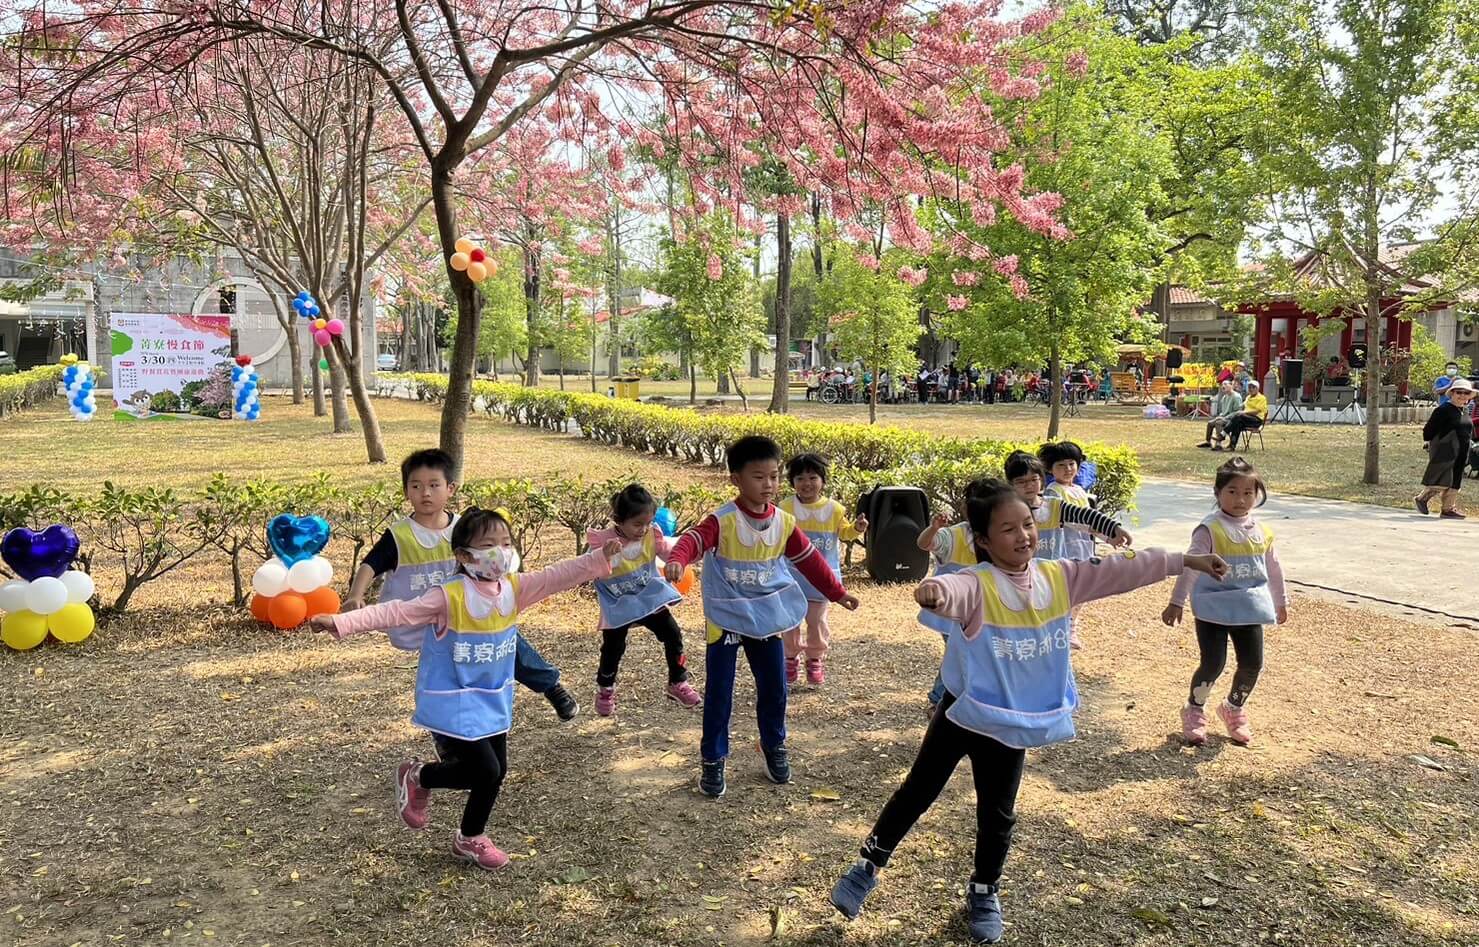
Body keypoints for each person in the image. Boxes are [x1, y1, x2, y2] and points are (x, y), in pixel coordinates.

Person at [829, 481, 1228, 942]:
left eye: (1027, 525)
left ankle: (983, 891)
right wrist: (933, 591)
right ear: (982, 540)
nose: (1023, 535)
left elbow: (1126, 567)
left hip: (1013, 721)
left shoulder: (1060, 576)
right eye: (1007, 529)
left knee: (998, 813)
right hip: (962, 713)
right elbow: (951, 586)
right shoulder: (977, 584)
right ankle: (867, 866)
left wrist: (1188, 560)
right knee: (919, 790)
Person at [313, 509, 621, 869]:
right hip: (453, 700)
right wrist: (340, 622)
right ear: (463, 555)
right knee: (486, 771)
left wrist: (599, 558)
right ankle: (421, 779)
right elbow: (395, 612)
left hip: (492, 697)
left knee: (496, 771)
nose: (501, 552)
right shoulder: (449, 596)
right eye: (488, 545)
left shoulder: (514, 588)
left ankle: (466, 835)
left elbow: (558, 575)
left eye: (505, 544)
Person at [664, 435, 860, 797]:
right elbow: (693, 540)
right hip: (724, 619)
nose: (768, 485)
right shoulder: (722, 520)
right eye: (758, 477)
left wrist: (838, 592)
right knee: (719, 692)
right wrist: (677, 559)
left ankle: (774, 745)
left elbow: (810, 561)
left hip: (766, 618)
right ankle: (712, 758)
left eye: (773, 476)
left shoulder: (784, 522)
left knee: (774, 687)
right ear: (736, 478)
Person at [344, 449, 580, 723]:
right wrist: (355, 595)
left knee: (507, 643)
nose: (426, 493)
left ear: (451, 488)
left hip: (467, 613)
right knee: (447, 678)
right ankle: (447, 734)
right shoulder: (399, 535)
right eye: (416, 486)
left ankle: (550, 686)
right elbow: (370, 564)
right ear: (406, 490)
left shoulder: (465, 528)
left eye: (434, 485)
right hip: (424, 621)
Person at [1163, 457, 1288, 746]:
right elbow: (1192, 565)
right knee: (1213, 663)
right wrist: (1177, 601)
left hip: (1249, 608)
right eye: (1232, 491)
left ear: (1257, 495)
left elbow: (1274, 567)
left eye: (1248, 493)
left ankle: (1233, 707)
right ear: (1218, 493)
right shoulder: (1209, 529)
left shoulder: (1262, 531)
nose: (1240, 499)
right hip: (1213, 608)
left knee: (1252, 664)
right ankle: (1194, 708)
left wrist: (1281, 601)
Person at [586, 484, 702, 716]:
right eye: (637, 524)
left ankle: (677, 682)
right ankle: (606, 688)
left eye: (647, 523)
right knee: (613, 647)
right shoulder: (603, 542)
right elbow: (587, 568)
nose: (643, 529)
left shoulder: (652, 534)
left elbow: (668, 550)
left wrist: (680, 559)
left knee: (673, 634)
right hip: (618, 601)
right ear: (618, 520)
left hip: (648, 596)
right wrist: (602, 557)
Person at [780, 454, 868, 685]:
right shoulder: (785, 508)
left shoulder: (834, 509)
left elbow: (845, 533)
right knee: (790, 621)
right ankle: (789, 658)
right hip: (791, 578)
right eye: (800, 478)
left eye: (813, 477)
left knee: (817, 621)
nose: (806, 483)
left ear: (823, 481)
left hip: (822, 580)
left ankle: (815, 658)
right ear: (792, 482)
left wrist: (857, 528)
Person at [914, 479, 999, 712]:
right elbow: (924, 544)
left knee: (967, 653)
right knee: (960, 652)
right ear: (966, 508)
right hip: (950, 612)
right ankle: (940, 699)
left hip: (981, 611)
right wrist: (933, 529)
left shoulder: (999, 534)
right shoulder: (954, 535)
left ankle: (953, 697)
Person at [1416, 377, 1476, 518]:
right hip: (1446, 448)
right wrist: (1435, 444)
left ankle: (1448, 508)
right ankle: (1422, 498)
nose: (1462, 395)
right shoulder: (1443, 410)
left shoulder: (1464, 410)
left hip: (1462, 449)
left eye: (1466, 393)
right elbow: (1428, 431)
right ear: (1452, 393)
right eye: (1458, 392)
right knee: (1443, 477)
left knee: (1456, 479)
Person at [1217, 381, 1267, 450]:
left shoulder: (1262, 398)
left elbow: (1256, 411)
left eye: (1253, 387)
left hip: (1256, 420)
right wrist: (1237, 407)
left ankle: (1223, 433)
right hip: (1245, 419)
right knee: (1237, 423)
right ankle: (1232, 446)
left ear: (1257, 389)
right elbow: (1241, 406)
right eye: (1249, 387)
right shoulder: (1248, 397)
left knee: (1238, 416)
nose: (1251, 389)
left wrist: (1243, 413)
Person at [1197, 380, 1244, 449]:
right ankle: (1208, 442)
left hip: (1232, 419)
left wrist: (1225, 418)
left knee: (1218, 423)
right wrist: (1220, 416)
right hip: (1224, 417)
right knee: (1210, 423)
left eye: (1225, 384)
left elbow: (1237, 412)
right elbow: (1223, 411)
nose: (1223, 386)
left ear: (1231, 385)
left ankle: (1218, 443)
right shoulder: (1224, 397)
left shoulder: (1236, 397)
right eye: (1222, 385)